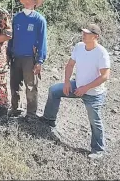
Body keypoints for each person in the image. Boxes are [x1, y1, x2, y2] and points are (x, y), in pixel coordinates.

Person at [40, 24, 111, 160]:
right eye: (83, 32)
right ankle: (49, 120)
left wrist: (86, 88)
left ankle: (98, 149)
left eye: (87, 33)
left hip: (94, 94)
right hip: (77, 86)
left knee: (94, 120)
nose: (83, 34)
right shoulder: (79, 46)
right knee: (54, 90)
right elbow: (70, 65)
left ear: (96, 36)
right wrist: (67, 82)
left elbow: (105, 76)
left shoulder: (101, 53)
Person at [7, 0, 48, 118]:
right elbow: (11, 38)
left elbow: (42, 41)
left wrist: (40, 61)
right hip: (16, 56)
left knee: (31, 86)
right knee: (14, 84)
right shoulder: (17, 18)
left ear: (35, 2)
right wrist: (8, 53)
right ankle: (16, 108)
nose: (28, 1)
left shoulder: (39, 20)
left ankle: (31, 113)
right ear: (22, 0)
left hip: (30, 58)